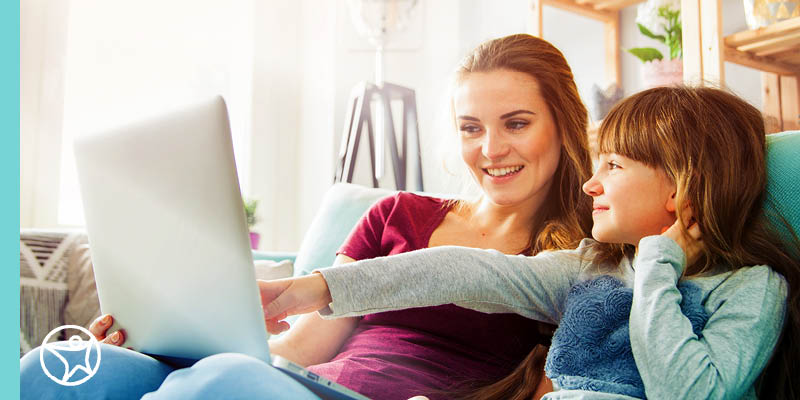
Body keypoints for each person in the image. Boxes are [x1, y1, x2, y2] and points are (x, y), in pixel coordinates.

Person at [20, 33, 594, 400]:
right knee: (55, 367)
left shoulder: (585, 253)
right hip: (304, 383)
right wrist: (163, 342)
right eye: (471, 128)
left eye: (516, 123)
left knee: (224, 383)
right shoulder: (397, 215)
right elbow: (306, 345)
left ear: (563, 124)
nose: (490, 149)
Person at [261, 86, 800, 399]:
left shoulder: (752, 290)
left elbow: (687, 392)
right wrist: (312, 289)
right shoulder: (590, 267)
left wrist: (660, 262)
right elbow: (464, 271)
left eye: (612, 166)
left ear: (683, 185)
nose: (592, 184)